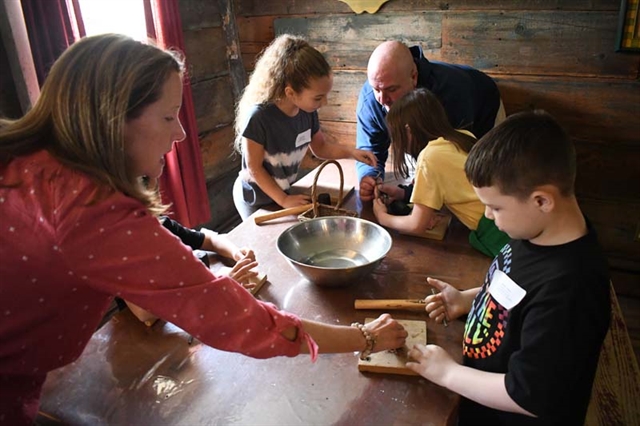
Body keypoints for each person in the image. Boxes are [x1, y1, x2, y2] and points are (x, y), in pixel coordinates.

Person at [0, 34, 407, 425]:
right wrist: (363, 337)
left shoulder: (27, 163)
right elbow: (234, 318)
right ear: (113, 120)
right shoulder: (92, 210)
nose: (179, 133)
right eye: (166, 116)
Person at [406, 110, 611, 425]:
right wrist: (469, 298)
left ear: (542, 201)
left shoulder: (572, 290)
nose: (488, 216)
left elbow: (528, 395)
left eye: (495, 207)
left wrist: (447, 373)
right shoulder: (532, 231)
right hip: (477, 399)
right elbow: (516, 290)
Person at [232, 34, 377, 219]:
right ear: (290, 93)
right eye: (318, 97)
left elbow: (321, 148)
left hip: (282, 192)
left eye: (325, 95)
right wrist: (283, 199)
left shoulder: (307, 112)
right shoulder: (259, 117)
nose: (324, 102)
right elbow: (255, 169)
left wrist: (352, 152)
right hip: (256, 197)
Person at [357, 40, 504, 202]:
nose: (383, 99)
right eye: (376, 89)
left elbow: (452, 159)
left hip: (482, 106)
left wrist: (420, 193)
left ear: (413, 76)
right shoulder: (371, 99)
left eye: (391, 89)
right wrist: (369, 177)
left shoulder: (452, 93)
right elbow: (369, 150)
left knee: (485, 178)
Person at [372, 88, 509, 257]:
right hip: (507, 214)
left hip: (496, 229)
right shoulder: (460, 136)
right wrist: (403, 194)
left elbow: (416, 225)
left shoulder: (430, 157)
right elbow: (455, 187)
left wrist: (382, 217)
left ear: (408, 131)